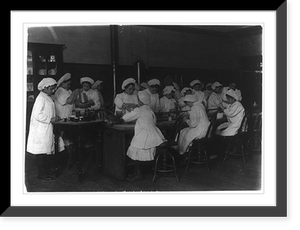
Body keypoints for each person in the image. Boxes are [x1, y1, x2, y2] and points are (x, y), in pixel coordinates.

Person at [122, 90, 166, 181]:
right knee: (137, 148)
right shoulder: (149, 109)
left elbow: (125, 118)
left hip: (146, 135)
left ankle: (138, 174)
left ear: (140, 101)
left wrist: (124, 109)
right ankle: (143, 170)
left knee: (133, 149)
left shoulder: (140, 110)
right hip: (155, 135)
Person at [27, 78, 65, 180]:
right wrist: (50, 119)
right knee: (41, 152)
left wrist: (55, 117)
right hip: (41, 128)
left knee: (47, 150)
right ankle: (42, 173)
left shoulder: (47, 97)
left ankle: (46, 170)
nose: (53, 91)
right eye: (52, 89)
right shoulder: (41, 98)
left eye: (54, 89)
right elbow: (37, 115)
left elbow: (50, 111)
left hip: (47, 127)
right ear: (45, 88)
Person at [54, 73, 79, 156]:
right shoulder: (59, 91)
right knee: (65, 137)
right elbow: (69, 101)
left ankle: (72, 154)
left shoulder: (69, 91)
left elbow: (74, 101)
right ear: (62, 83)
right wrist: (74, 93)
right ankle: (66, 155)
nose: (69, 86)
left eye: (70, 84)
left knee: (70, 136)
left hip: (69, 116)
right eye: (67, 84)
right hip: (62, 117)